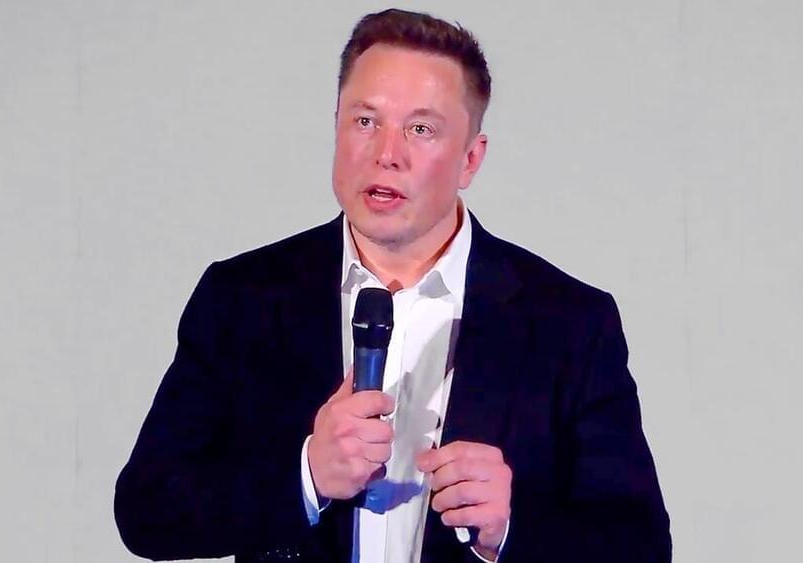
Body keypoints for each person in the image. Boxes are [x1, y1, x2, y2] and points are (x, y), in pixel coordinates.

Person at [115, 8, 671, 563]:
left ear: (470, 159)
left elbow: (640, 547)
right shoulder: (243, 298)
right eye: (365, 121)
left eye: (420, 129)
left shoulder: (568, 323)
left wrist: (510, 528)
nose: (386, 154)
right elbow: (147, 511)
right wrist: (305, 476)